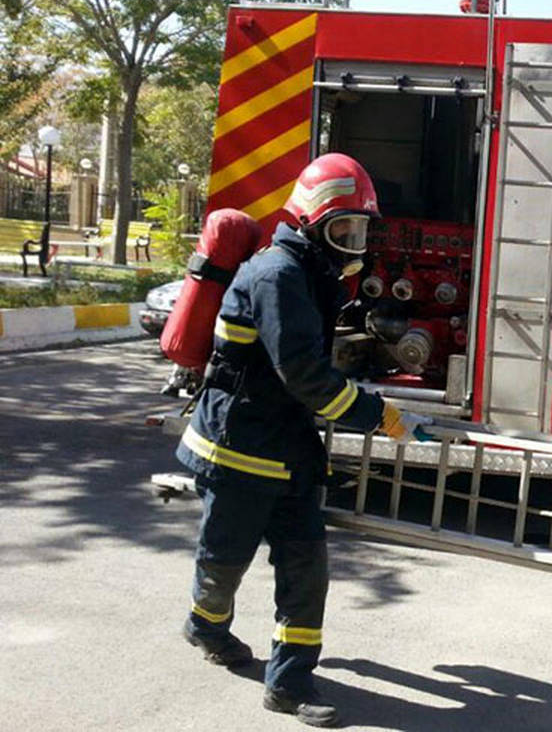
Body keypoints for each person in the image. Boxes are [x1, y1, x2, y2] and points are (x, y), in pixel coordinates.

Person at [178, 153, 423, 727]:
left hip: (288, 452)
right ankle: (204, 624)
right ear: (310, 223)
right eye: (343, 230)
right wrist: (379, 416)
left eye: (359, 231)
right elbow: (306, 377)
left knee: (306, 569)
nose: (353, 244)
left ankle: (289, 684)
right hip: (238, 451)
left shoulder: (310, 275)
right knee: (222, 565)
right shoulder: (277, 276)